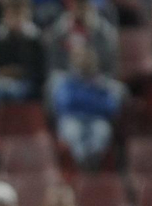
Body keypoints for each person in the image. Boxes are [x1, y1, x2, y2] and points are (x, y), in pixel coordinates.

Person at [50, 42, 124, 170]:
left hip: (97, 119)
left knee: (102, 131)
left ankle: (92, 163)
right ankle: (82, 164)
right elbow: (64, 104)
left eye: (88, 60)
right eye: (81, 60)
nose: (85, 63)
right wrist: (93, 100)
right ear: (74, 62)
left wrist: (83, 100)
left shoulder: (102, 83)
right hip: (73, 119)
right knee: (73, 131)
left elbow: (111, 108)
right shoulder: (66, 81)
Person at [0, 0, 45, 104]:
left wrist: (18, 72)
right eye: (12, 15)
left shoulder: (35, 40)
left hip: (25, 82)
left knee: (11, 91)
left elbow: (39, 71)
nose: (16, 20)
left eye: (19, 15)